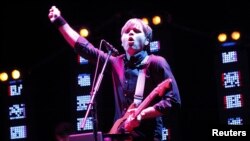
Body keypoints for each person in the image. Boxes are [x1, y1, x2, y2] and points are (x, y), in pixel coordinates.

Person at [48, 5, 181, 141]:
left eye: (136, 31)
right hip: (120, 134)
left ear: (147, 40)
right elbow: (84, 48)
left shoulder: (156, 62)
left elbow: (173, 100)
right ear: (121, 41)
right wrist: (60, 21)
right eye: (127, 31)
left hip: (147, 136)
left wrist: (143, 114)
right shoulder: (115, 62)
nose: (131, 34)